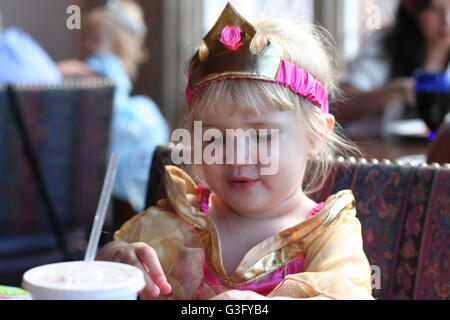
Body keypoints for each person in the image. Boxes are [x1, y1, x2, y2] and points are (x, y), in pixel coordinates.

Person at [97, 3, 373, 300]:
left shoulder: (327, 233)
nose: (236, 157)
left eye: (261, 135)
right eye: (215, 138)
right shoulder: (178, 222)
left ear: (316, 135)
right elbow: (96, 273)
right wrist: (116, 261)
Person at [58, 0, 169, 212]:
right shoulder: (113, 67)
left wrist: (49, 71)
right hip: (116, 121)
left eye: (96, 38)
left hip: (111, 120)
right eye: (88, 38)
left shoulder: (101, 65)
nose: (89, 45)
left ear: (117, 43)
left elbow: (76, 69)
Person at [335, 0, 450, 138]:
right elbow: (338, 107)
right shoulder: (384, 44)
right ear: (410, 5)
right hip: (377, 153)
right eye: (435, 9)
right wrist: (396, 91)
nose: (446, 21)